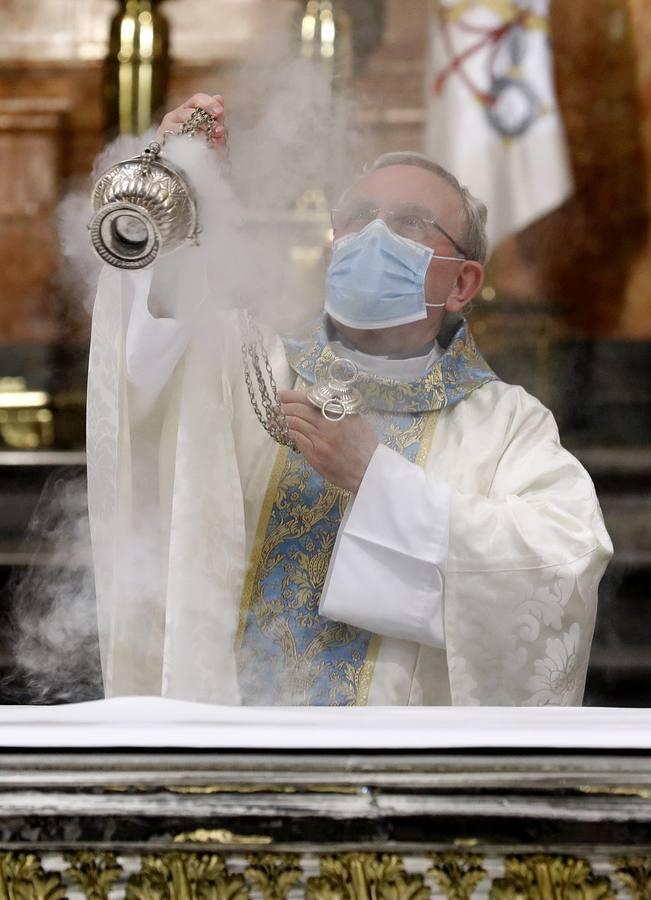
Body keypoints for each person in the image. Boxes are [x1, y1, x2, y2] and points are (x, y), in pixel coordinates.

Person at [84, 93, 613, 706]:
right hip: (231, 752)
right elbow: (149, 350)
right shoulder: (250, 366)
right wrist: (177, 178)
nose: (374, 234)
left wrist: (376, 479)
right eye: (358, 216)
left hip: (398, 773)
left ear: (464, 282)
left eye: (411, 221)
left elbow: (562, 565)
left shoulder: (505, 424)